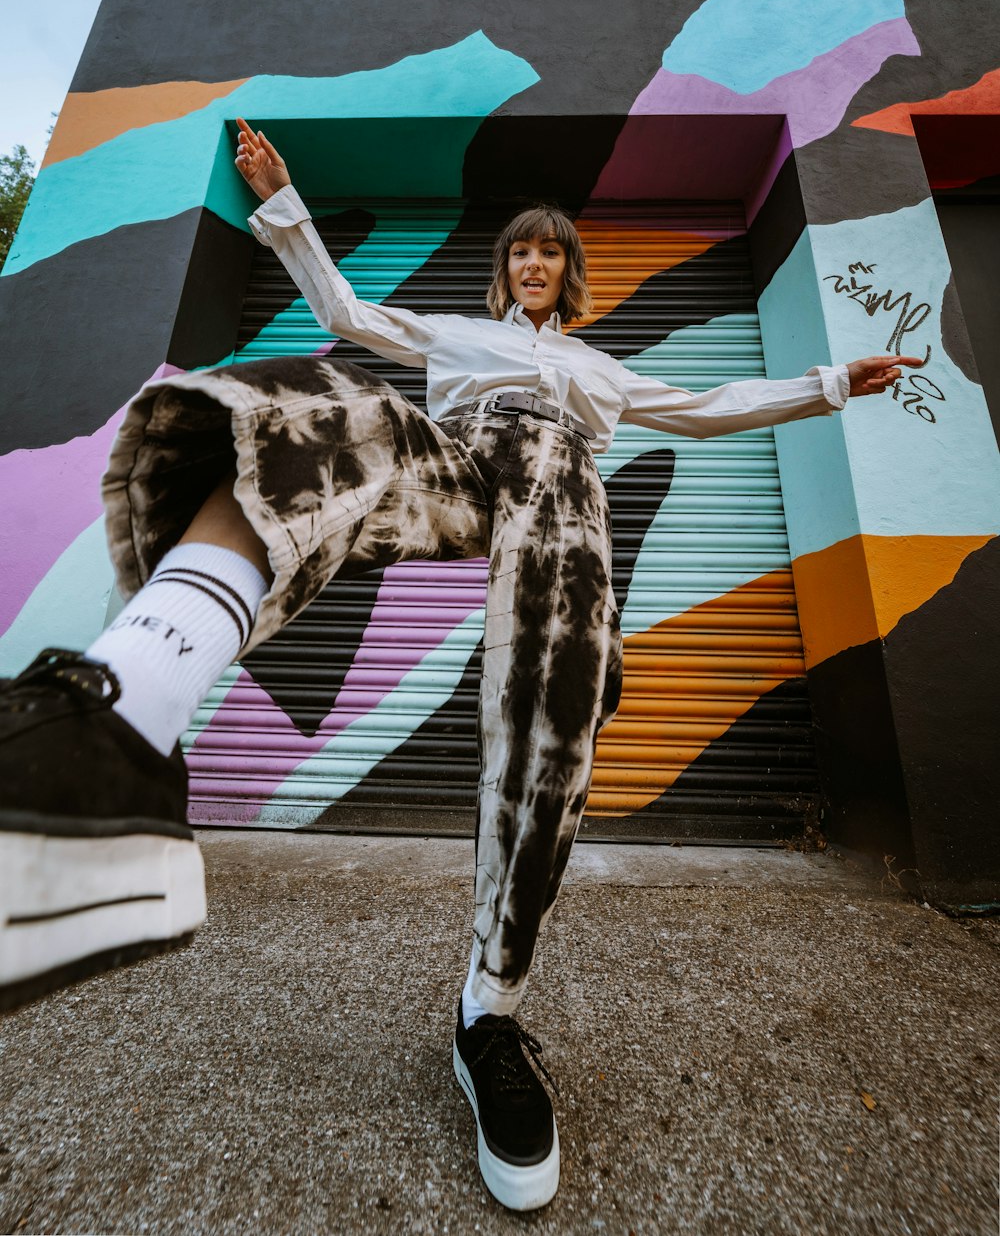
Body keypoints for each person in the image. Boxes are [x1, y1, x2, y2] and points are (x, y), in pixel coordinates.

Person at [0, 117, 923, 1210]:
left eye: (549, 255)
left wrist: (828, 383)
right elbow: (344, 314)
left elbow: (718, 408)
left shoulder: (600, 369)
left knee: (549, 702)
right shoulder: (457, 336)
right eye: (520, 253)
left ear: (568, 277)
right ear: (504, 274)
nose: (533, 266)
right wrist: (284, 200)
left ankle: (490, 1007)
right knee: (337, 416)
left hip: (563, 494)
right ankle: (114, 713)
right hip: (457, 460)